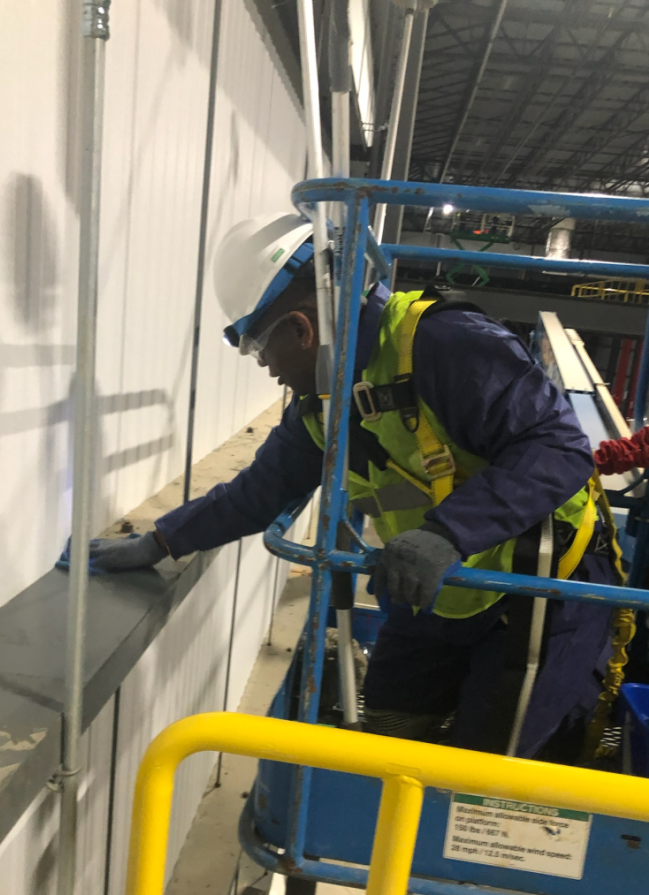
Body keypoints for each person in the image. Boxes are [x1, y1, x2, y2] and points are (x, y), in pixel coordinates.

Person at [87, 212, 616, 761]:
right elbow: (260, 491)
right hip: (435, 591)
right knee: (388, 725)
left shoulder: (445, 342)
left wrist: (449, 533)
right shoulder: (323, 403)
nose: (266, 368)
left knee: (482, 775)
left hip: (540, 590)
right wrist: (160, 542)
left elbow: (558, 446)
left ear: (301, 328)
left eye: (258, 349)